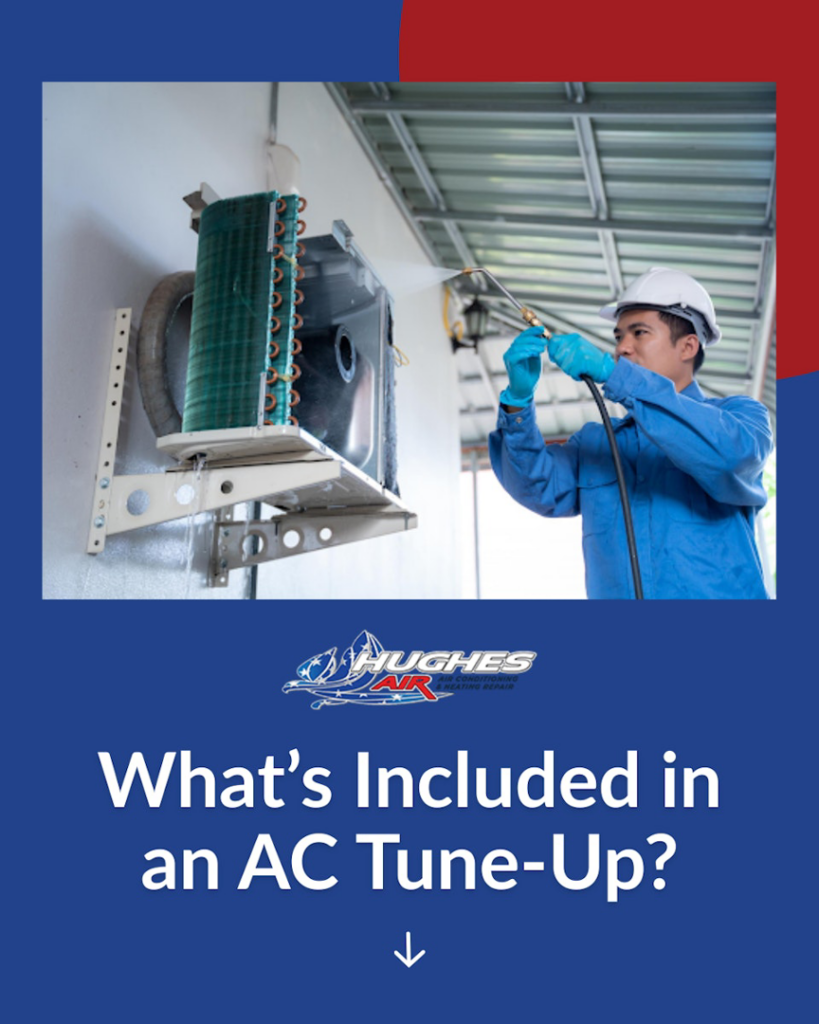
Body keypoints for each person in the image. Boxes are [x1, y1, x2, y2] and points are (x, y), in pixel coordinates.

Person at [488, 267, 773, 599]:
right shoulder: (598, 442)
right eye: (619, 336)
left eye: (639, 333)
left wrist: (617, 376)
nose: (622, 348)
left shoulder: (740, 417)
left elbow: (729, 458)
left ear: (688, 346)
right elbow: (537, 488)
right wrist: (517, 405)